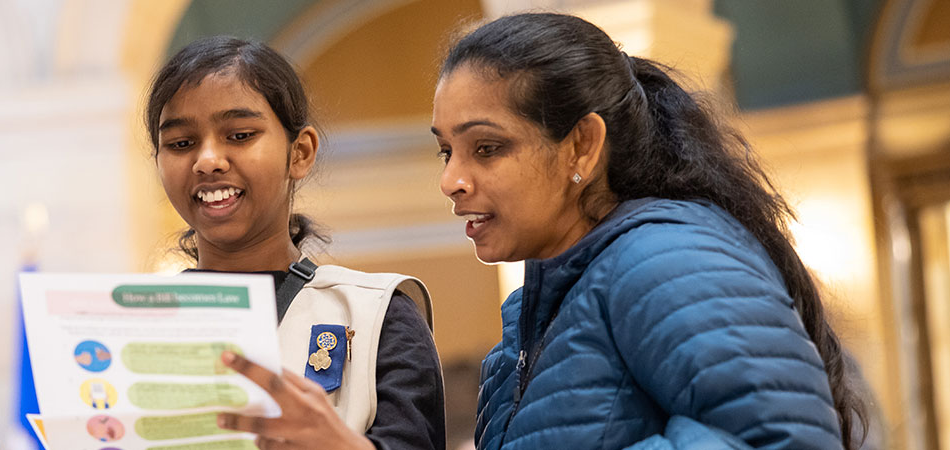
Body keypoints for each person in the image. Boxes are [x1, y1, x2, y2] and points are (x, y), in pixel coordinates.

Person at [216, 13, 868, 450]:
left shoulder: (665, 259)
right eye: (447, 151)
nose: (452, 180)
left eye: (487, 149)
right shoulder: (540, 303)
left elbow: (781, 440)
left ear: (582, 145)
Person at [148, 36, 446, 450]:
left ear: (299, 153)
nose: (208, 160)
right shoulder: (135, 322)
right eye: (181, 143)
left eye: (239, 135)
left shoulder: (375, 313)